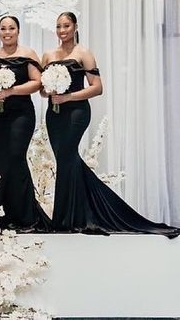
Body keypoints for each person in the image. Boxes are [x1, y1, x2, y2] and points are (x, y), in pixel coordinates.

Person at [42, 12, 179, 237]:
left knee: (67, 158)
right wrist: (49, 91)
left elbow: (97, 87)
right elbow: (41, 89)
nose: (62, 30)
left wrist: (68, 97)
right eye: (58, 26)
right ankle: (81, 213)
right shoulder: (48, 55)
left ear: (75, 26)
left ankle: (64, 220)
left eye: (66, 25)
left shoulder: (84, 53)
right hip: (54, 114)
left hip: (76, 112)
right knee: (67, 162)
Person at [0, 16, 52, 232]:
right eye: (3, 29)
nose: (7, 32)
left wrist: (10, 91)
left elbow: (37, 82)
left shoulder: (28, 54)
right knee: (0, 161)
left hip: (20, 113)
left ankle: (25, 217)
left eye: (11, 28)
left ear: (18, 31)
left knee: (16, 157)